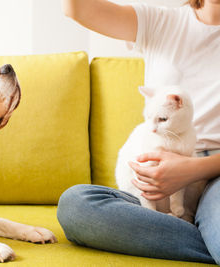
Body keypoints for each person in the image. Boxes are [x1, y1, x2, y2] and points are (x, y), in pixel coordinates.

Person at [57, 0, 220, 264]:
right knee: (76, 205)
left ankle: (200, 234)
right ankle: (206, 237)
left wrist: (192, 169)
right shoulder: (159, 22)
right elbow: (76, 8)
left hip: (215, 176)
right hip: (152, 181)